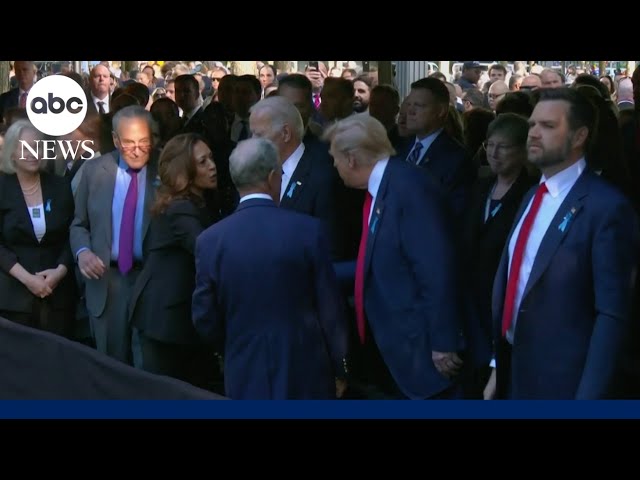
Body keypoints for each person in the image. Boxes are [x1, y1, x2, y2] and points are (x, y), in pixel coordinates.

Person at [485, 88, 639, 399]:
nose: (534, 134)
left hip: (565, 383)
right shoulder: (531, 196)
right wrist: (497, 366)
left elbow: (612, 315)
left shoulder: (606, 208)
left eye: (549, 126)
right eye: (532, 125)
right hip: (515, 371)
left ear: (579, 135)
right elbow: (519, 284)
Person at [192, 138, 349, 399]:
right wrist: (341, 366)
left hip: (244, 366)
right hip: (306, 367)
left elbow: (204, 317)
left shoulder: (210, 241)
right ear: (272, 176)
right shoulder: (308, 231)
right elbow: (330, 309)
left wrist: (232, 345)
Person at [324, 113, 465, 399]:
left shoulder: (409, 189)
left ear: (351, 159)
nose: (334, 167)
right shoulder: (386, 187)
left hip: (423, 347)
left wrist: (443, 340)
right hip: (399, 344)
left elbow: (436, 268)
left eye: (335, 159)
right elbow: (377, 262)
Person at [129, 133, 220, 391]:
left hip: (174, 315)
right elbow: (208, 251)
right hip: (166, 319)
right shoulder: (181, 208)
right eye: (203, 162)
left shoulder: (198, 202)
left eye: (211, 158)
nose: (212, 166)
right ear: (185, 170)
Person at [0, 120, 76, 338]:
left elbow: (73, 233)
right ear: (12, 153)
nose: (34, 153)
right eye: (26, 148)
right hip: (13, 298)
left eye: (38, 147)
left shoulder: (60, 186)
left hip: (57, 295)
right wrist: (28, 279)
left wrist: (60, 272)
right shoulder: (2, 187)